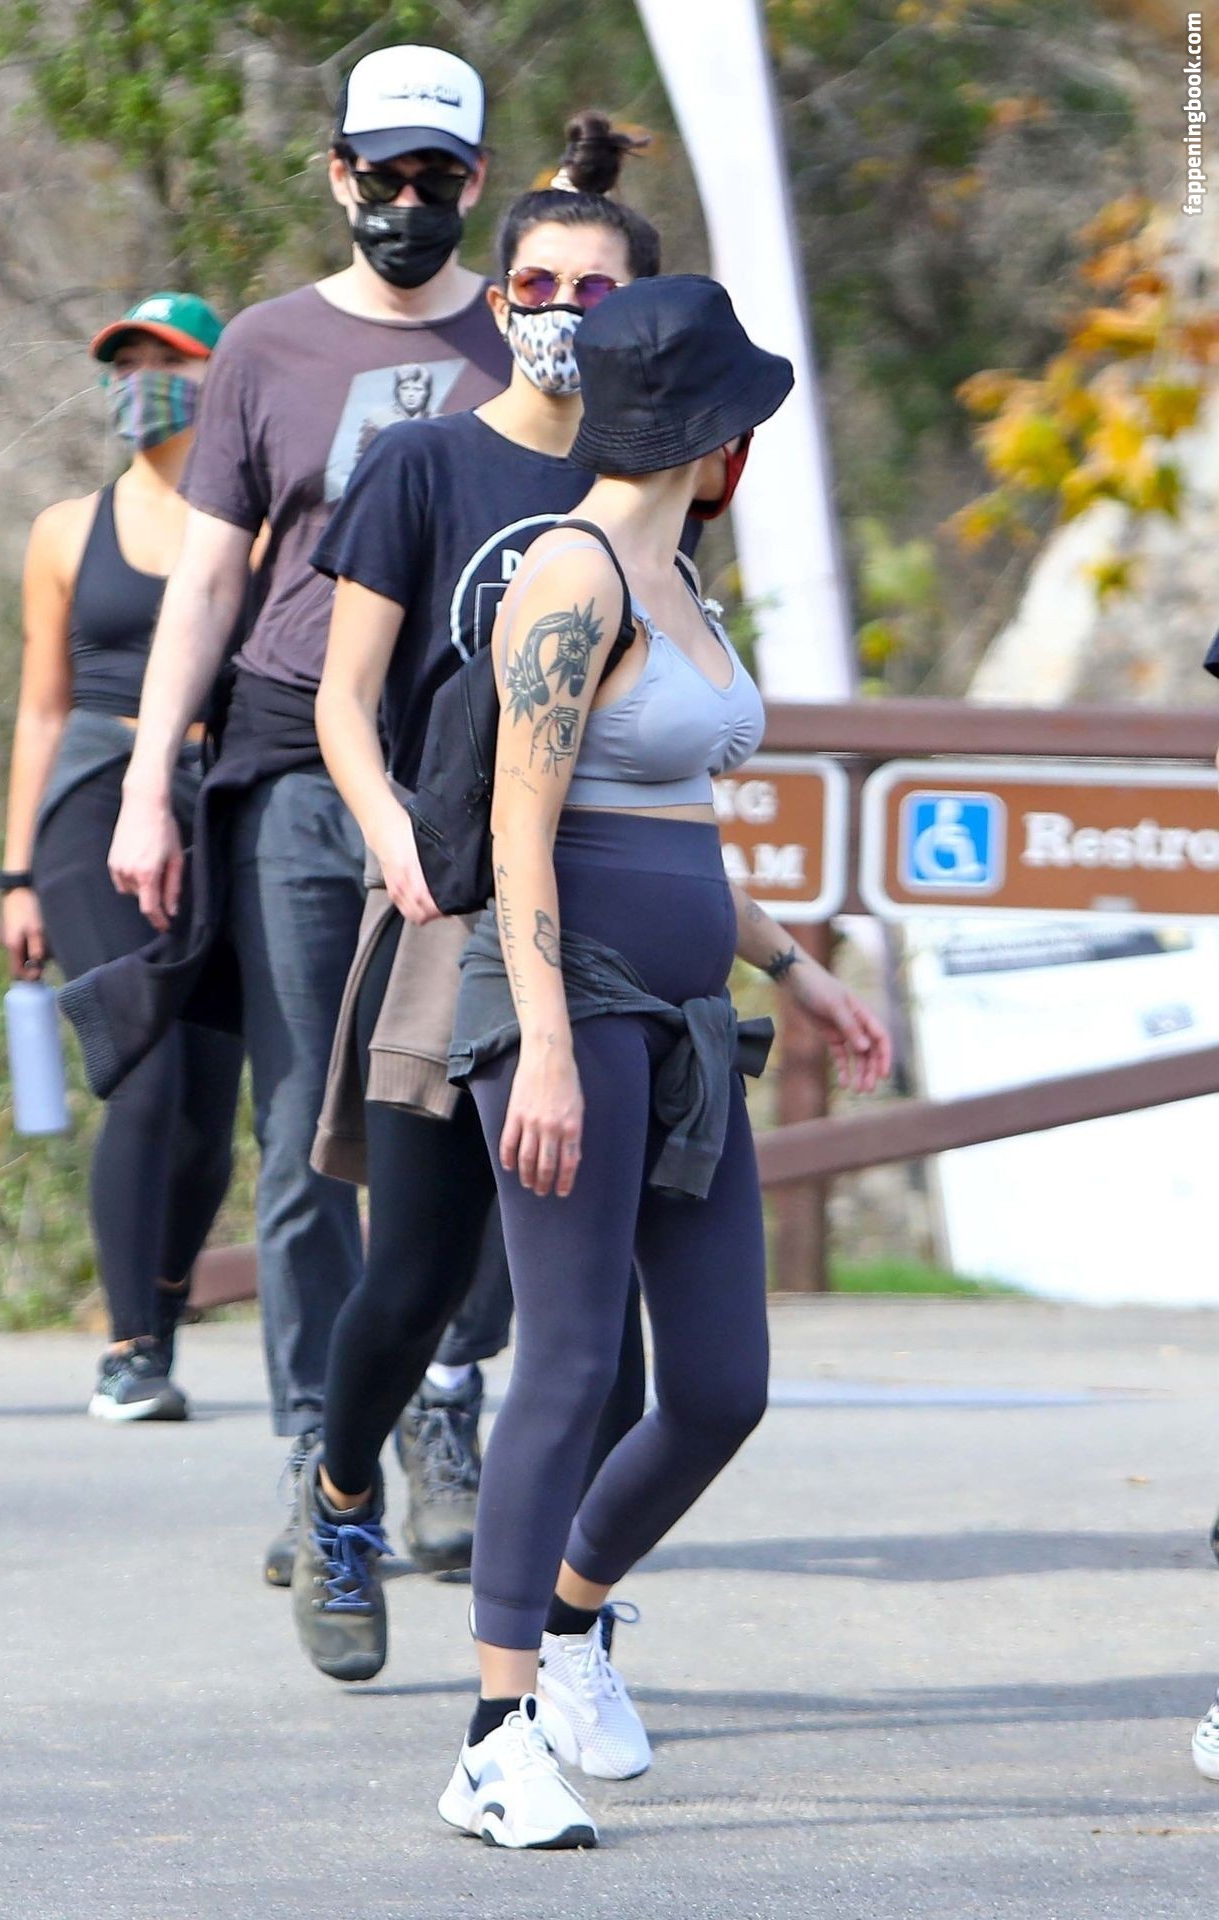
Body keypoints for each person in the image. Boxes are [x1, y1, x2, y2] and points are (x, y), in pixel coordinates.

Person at [436, 275, 893, 1850]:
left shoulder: (679, 578)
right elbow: (520, 826)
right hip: (570, 1007)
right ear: (707, 431)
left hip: (688, 1018)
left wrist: (797, 967)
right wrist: (548, 1049)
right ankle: (492, 1736)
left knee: (718, 1385)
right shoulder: (570, 578)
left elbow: (677, 827)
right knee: (569, 1360)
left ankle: (572, 1626)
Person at [92, 46, 512, 1582]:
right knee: (300, 1129)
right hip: (288, 755)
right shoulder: (267, 346)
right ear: (337, 174)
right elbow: (210, 577)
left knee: (462, 1102)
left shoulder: (521, 335)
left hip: (468, 764)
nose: (406, 201)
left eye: (435, 177)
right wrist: (150, 782)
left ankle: (443, 1408)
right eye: (381, 174)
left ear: (475, 181)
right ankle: (318, 1451)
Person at [292, 114, 662, 1683]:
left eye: (597, 289)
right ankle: (339, 1497)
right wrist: (386, 828)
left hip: (598, 924)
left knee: (593, 1327)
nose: (564, 310)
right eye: (539, 284)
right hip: (450, 904)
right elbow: (343, 694)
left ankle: (559, 1627)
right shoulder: (425, 462)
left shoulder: (653, 481)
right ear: (500, 298)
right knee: (419, 1275)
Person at [0, 293, 242, 1422]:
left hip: (217, 798)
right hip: (92, 797)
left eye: (167, 361)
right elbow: (41, 709)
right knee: (141, 1069)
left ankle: (164, 1296)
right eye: (125, 361)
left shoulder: (256, 523)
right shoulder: (65, 529)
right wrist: (15, 877)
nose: (141, 380)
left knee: (206, 1112)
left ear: (219, 378)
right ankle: (130, 1348)